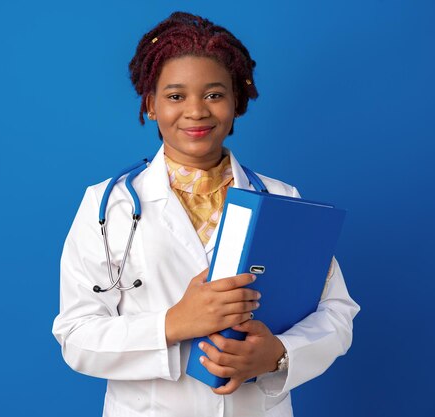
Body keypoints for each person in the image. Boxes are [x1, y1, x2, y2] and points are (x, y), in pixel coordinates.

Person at [52, 11, 359, 417]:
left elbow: (337, 313)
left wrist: (278, 354)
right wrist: (175, 323)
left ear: (236, 102)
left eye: (214, 94)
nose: (196, 111)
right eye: (175, 96)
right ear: (150, 105)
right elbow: (76, 337)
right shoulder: (108, 205)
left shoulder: (281, 198)